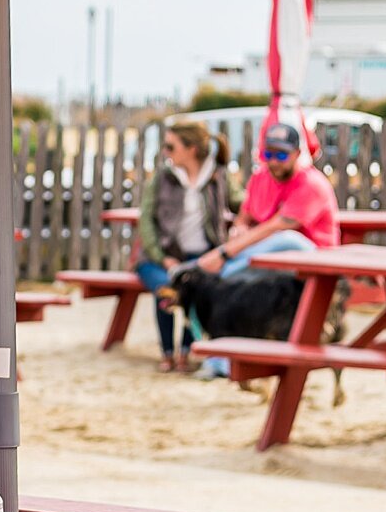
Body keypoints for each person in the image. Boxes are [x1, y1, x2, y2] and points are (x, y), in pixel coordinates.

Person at [194, 120, 339, 378]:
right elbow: (245, 217)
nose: (273, 161)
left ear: (297, 154)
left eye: (280, 154)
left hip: (309, 263)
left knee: (287, 239)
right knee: (221, 289)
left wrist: (226, 253)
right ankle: (220, 359)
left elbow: (276, 228)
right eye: (267, 154)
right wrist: (239, 229)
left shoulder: (311, 184)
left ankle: (222, 272)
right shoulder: (261, 178)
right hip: (269, 264)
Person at [135, 118, 233, 370]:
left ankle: (187, 352)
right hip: (161, 257)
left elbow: (240, 201)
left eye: (170, 146)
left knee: (197, 286)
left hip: (201, 255)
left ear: (191, 149)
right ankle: (167, 352)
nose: (166, 152)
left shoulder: (217, 175)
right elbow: (145, 221)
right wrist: (162, 256)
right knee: (168, 288)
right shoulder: (163, 178)